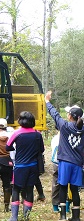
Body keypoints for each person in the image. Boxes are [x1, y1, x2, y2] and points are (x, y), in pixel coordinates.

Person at [45, 91, 84, 221]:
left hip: (65, 162)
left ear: (70, 116)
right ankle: (76, 217)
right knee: (74, 189)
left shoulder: (65, 126)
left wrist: (47, 102)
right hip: (78, 163)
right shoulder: (82, 129)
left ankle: (62, 216)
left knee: (62, 186)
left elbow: (54, 114)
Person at [6, 111, 44, 221]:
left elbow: (7, 147)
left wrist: (17, 149)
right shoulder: (37, 134)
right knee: (29, 190)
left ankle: (14, 217)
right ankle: (26, 216)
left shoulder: (17, 133)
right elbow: (41, 149)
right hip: (33, 166)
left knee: (16, 189)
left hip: (20, 166)